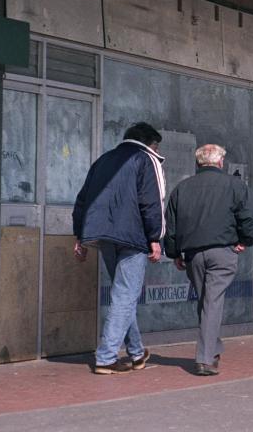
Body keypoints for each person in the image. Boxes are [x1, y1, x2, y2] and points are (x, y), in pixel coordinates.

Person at [73, 122, 167, 374]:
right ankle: (106, 357)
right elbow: (152, 201)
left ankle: (137, 353)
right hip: (133, 237)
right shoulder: (146, 159)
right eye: (156, 145)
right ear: (151, 143)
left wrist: (80, 235)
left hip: (103, 236)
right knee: (125, 296)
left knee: (123, 295)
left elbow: (83, 199)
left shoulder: (103, 160)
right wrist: (155, 237)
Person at [163, 144, 253, 376]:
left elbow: (171, 225)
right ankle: (205, 359)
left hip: (194, 255)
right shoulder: (235, 186)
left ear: (198, 163)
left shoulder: (182, 188)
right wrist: (245, 241)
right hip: (222, 251)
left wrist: (175, 252)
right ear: (220, 163)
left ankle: (213, 349)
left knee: (207, 301)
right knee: (212, 301)